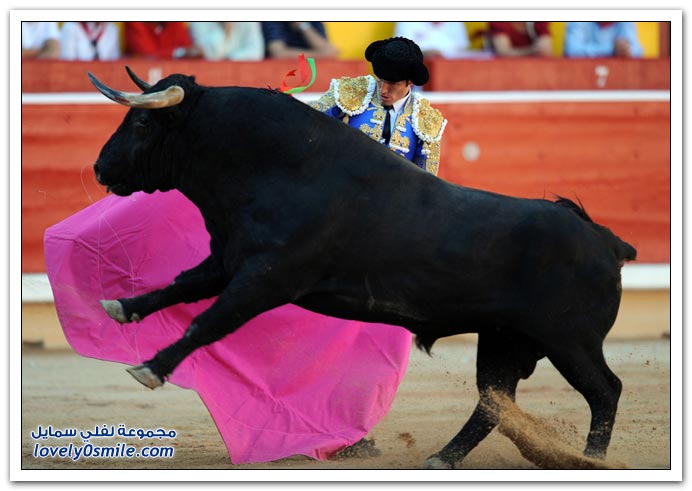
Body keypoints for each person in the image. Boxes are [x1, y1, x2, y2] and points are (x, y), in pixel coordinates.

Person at [310, 36, 447, 176]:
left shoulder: (426, 121)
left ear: (410, 82)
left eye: (393, 84)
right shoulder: (351, 92)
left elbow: (426, 184)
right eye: (380, 80)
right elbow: (308, 117)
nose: (383, 90)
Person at [188, 22, 264, 61]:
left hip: (242, 75)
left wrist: (229, 58)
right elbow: (209, 54)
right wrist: (225, 29)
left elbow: (256, 52)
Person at [124, 21, 202, 59]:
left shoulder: (175, 23)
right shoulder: (134, 22)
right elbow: (147, 55)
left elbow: (187, 48)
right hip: (141, 77)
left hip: (172, 75)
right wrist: (179, 53)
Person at [564, 22, 644, 58]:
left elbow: (637, 50)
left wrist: (628, 50)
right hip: (581, 81)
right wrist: (611, 49)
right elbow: (572, 50)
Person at [394, 21, 471, 59]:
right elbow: (400, 52)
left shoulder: (456, 22)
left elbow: (463, 49)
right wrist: (422, 54)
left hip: (451, 74)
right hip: (416, 77)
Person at [262, 21, 339, 59]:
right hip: (282, 72)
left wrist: (303, 26)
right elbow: (278, 54)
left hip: (310, 71)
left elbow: (330, 52)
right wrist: (321, 55)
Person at [488, 21, 553, 57]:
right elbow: (503, 52)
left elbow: (546, 51)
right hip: (503, 70)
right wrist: (532, 50)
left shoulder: (538, 22)